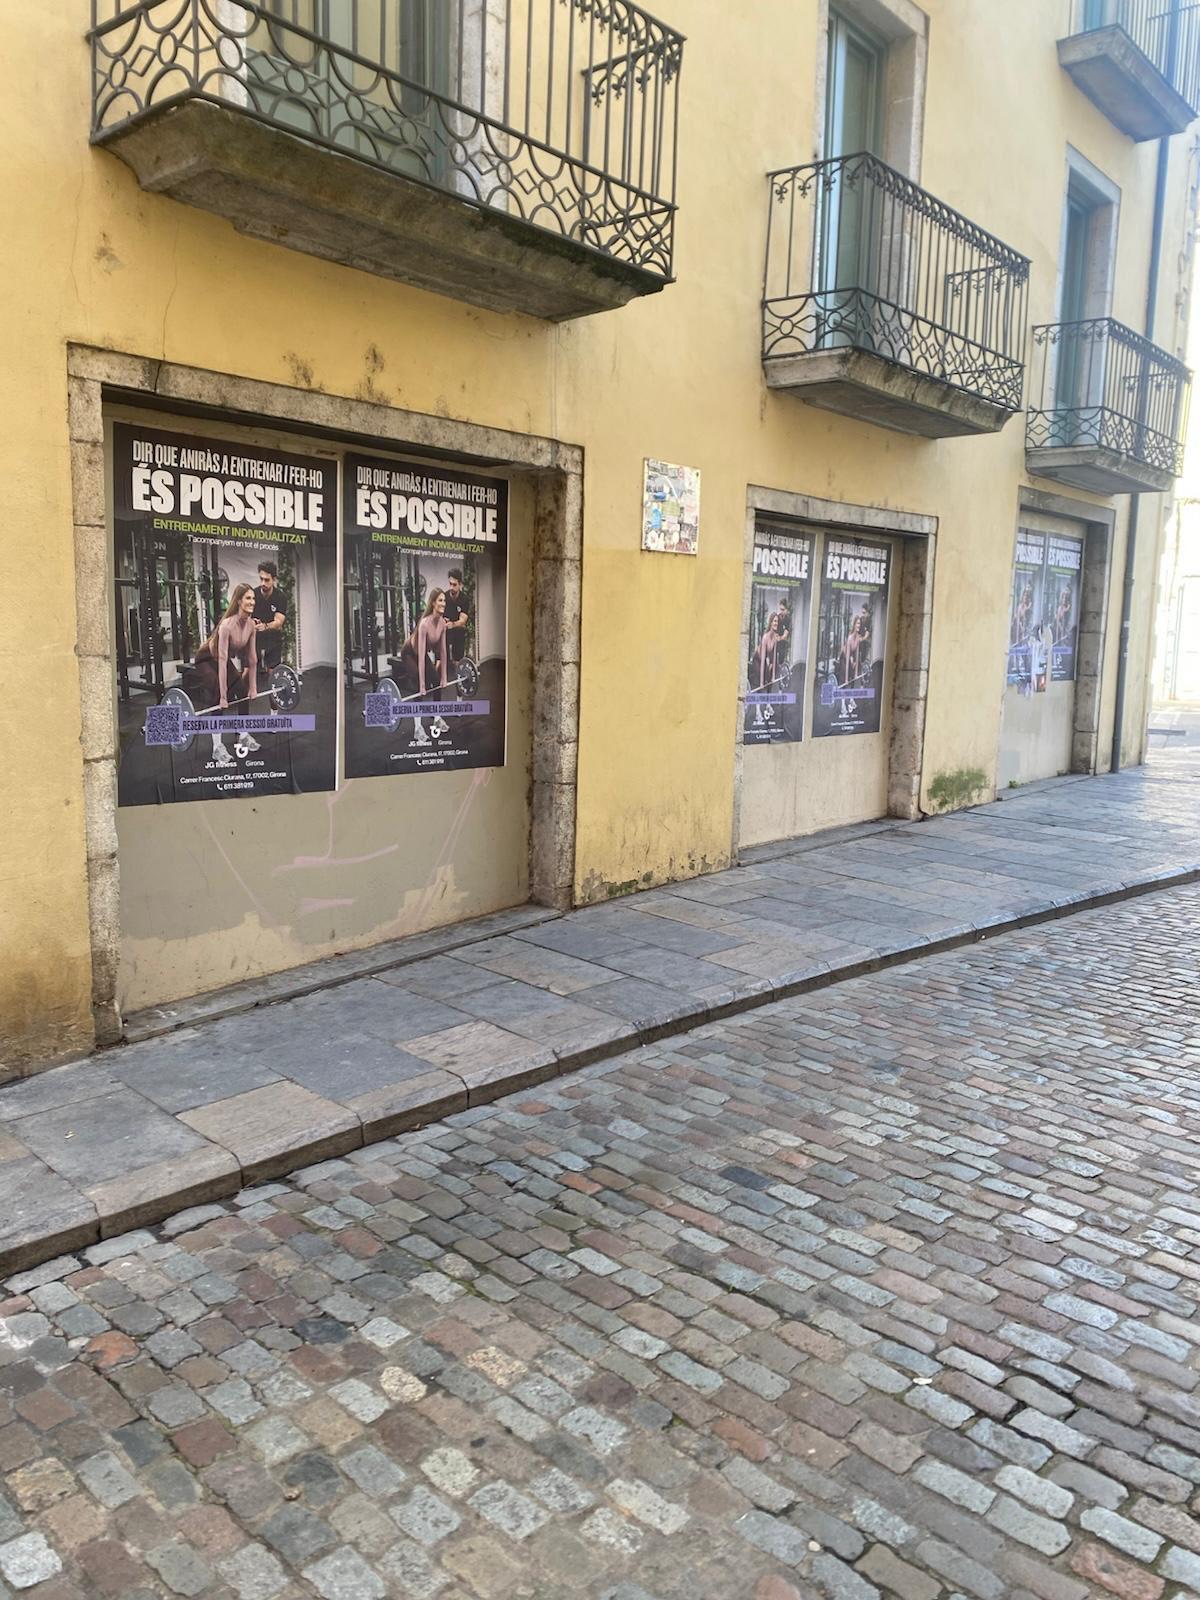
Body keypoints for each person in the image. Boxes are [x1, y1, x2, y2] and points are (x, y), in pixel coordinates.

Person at [183, 583, 259, 767]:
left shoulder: (251, 625)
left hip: (221, 659)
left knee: (241, 690)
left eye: (253, 598)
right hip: (206, 659)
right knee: (217, 693)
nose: (252, 602)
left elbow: (253, 659)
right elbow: (223, 661)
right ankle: (217, 747)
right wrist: (224, 696)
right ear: (239, 600)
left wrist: (253, 687)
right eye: (248, 598)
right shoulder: (226, 625)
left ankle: (243, 734)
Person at [397, 589, 450, 746]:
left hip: (421, 654)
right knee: (417, 686)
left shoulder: (442, 625)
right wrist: (421, 684)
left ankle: (437, 717)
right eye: (440, 600)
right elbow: (420, 657)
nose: (443, 604)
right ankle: (418, 728)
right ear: (433, 603)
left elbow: (443, 651)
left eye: (444, 601)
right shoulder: (424, 624)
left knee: (436, 681)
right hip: (409, 653)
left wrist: (444, 676)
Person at [253, 561, 287, 676]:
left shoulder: (280, 597)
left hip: (272, 638)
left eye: (267, 580)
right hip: (255, 638)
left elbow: (278, 622)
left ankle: (273, 693)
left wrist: (265, 626)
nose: (263, 583)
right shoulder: (253, 594)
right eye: (261, 579)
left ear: (274, 579)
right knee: (250, 671)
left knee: (273, 674)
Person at [443, 569, 470, 668]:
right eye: (450, 584)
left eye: (454, 585)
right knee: (441, 657)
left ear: (460, 584)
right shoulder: (444, 597)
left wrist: (453, 624)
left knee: (459, 630)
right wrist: (443, 621)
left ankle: (458, 668)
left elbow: (463, 621)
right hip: (445, 630)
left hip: (457, 630)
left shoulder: (464, 599)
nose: (451, 587)